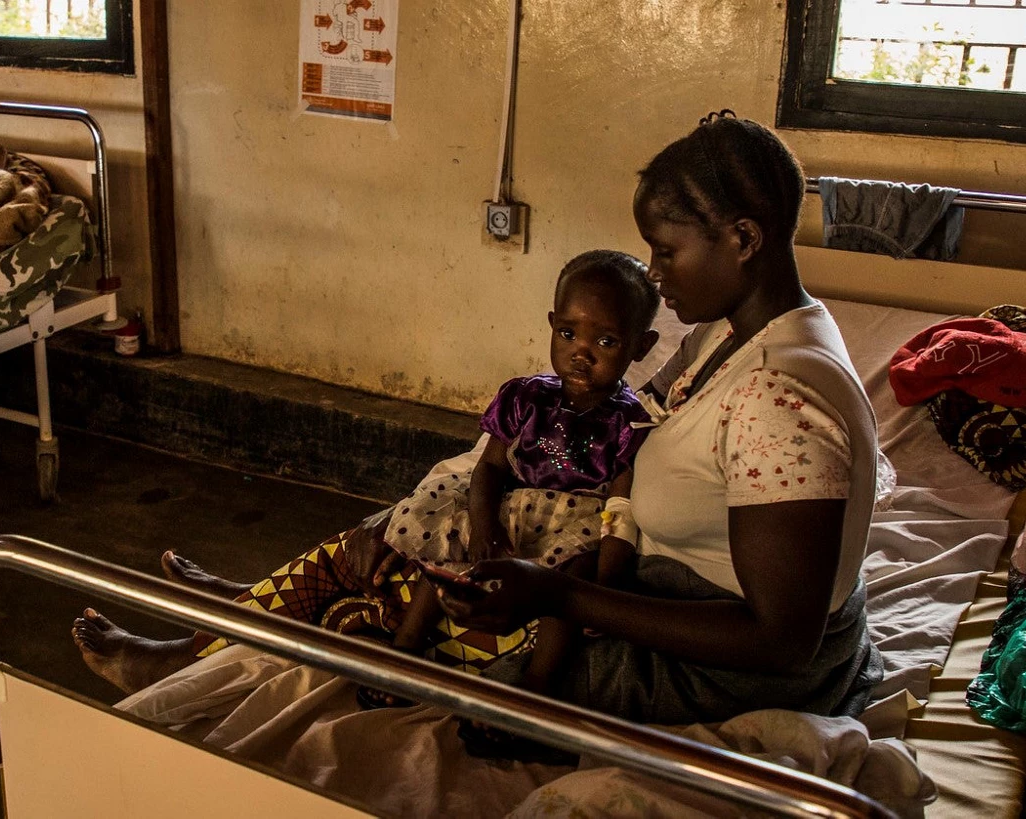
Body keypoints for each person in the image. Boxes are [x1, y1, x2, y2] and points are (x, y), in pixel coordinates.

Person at [75, 112, 882, 746]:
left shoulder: (780, 394)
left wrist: (565, 590)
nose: (655, 273)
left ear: (743, 239)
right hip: (646, 592)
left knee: (392, 598)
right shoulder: (741, 333)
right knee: (383, 551)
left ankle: (209, 646)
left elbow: (779, 638)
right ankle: (220, 629)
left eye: (666, 251)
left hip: (709, 670)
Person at [353, 250, 660, 708]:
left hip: (576, 525)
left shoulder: (629, 423)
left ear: (641, 346)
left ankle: (537, 687)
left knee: (572, 582)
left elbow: (620, 508)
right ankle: (405, 648)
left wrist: (606, 581)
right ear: (552, 323)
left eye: (608, 342)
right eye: (568, 333)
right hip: (511, 508)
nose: (581, 353)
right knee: (449, 551)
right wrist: (483, 525)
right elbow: (491, 467)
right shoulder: (527, 396)